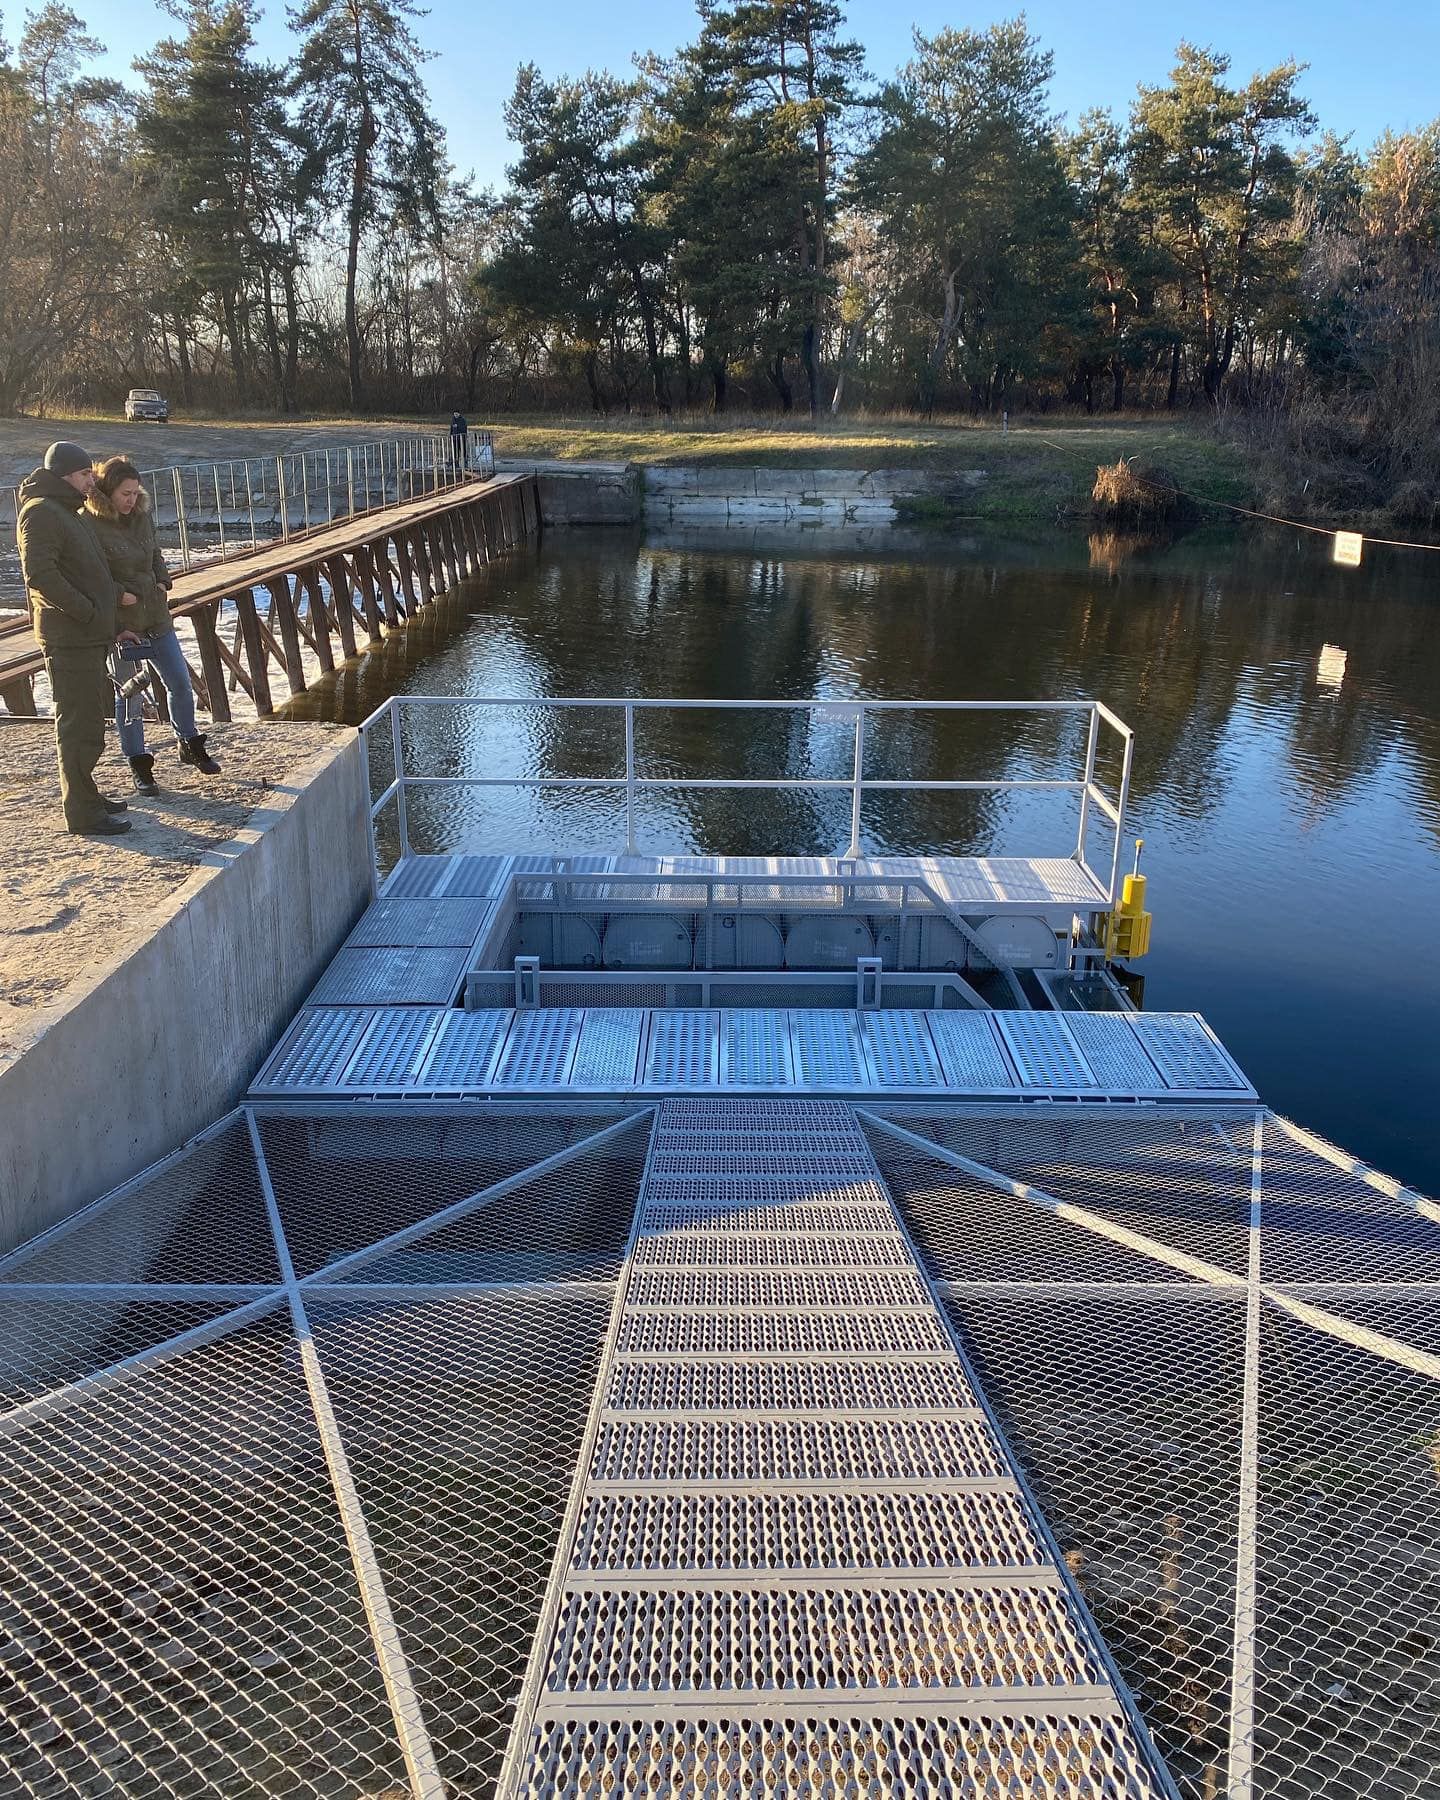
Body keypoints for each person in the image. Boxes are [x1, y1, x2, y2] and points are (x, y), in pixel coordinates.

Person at [17, 441, 132, 836]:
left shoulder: (69, 510)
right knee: (77, 723)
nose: (91, 481)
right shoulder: (41, 513)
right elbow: (40, 576)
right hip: (69, 637)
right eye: (85, 474)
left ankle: (86, 793)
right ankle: (82, 813)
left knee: (91, 718)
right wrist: (87, 611)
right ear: (65, 474)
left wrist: (108, 611)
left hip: (89, 634)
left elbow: (89, 570)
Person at [86, 456, 220, 792]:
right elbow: (90, 574)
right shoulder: (90, 523)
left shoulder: (142, 515)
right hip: (122, 621)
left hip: (156, 611)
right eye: (124, 493)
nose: (131, 499)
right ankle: (139, 764)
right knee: (128, 694)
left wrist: (163, 581)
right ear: (108, 491)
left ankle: (188, 742)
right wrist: (119, 595)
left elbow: (155, 552)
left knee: (179, 680)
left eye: (135, 493)